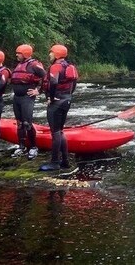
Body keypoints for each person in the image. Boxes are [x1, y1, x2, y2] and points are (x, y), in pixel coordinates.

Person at [38, 44, 79, 172]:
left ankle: (55, 162)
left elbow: (54, 82)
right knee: (60, 132)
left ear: (56, 54)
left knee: (55, 132)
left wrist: (51, 97)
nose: (49, 55)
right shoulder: (70, 66)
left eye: (51, 53)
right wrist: (67, 96)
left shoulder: (56, 66)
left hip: (56, 103)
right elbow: (74, 84)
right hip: (66, 100)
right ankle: (65, 161)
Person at [10, 44, 45, 160]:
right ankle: (21, 146)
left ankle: (34, 147)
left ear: (25, 53)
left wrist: (38, 90)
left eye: (18, 53)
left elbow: (47, 77)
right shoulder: (20, 65)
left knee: (27, 123)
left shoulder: (34, 65)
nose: (16, 55)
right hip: (17, 98)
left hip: (27, 98)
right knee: (19, 123)